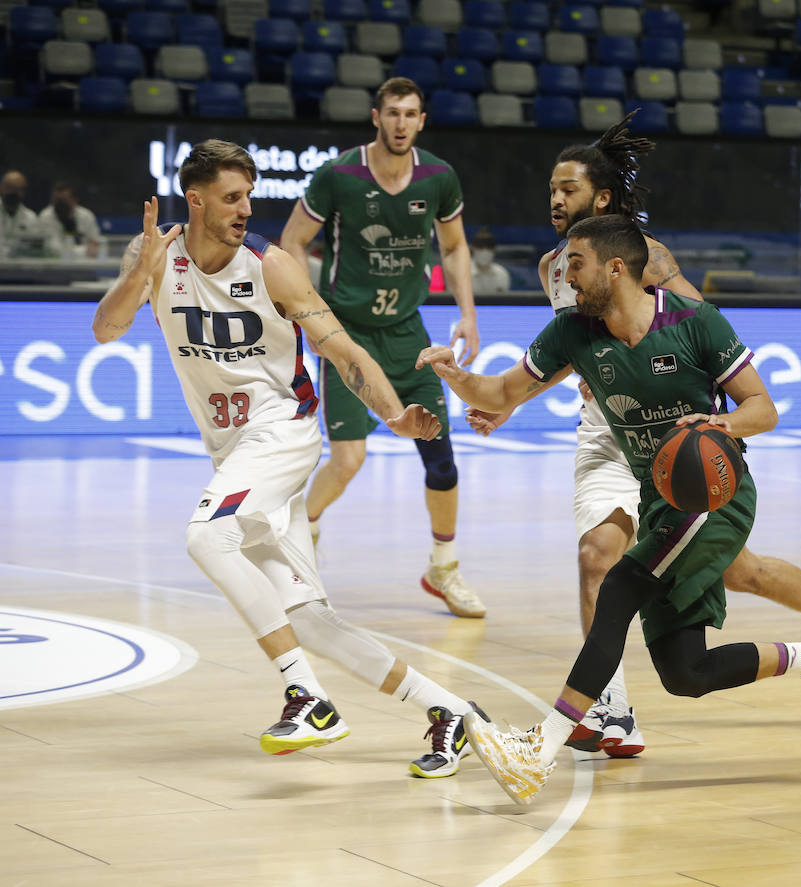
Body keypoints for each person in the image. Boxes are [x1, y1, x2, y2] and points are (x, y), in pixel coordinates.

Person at [467, 113, 801, 759]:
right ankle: (632, 709)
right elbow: (540, 367)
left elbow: (694, 339)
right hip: (612, 436)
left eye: (567, 189)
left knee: (702, 574)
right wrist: (498, 399)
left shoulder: (652, 266)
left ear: (602, 204)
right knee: (657, 635)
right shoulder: (556, 271)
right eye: (549, 189)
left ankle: (544, 746)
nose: (553, 199)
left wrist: (710, 423)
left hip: (683, 452)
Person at [419, 214, 801, 805]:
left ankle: (539, 749)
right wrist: (457, 378)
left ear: (614, 268)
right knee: (686, 674)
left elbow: (764, 409)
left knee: (617, 590)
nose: (565, 274)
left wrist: (720, 423)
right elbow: (502, 393)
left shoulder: (694, 321)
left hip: (716, 495)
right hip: (661, 506)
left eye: (576, 263)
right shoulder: (573, 332)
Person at [91, 139, 486, 777]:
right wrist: (140, 274)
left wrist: (391, 415)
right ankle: (451, 713)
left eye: (249, 195)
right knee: (311, 618)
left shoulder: (271, 266)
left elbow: (344, 350)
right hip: (236, 455)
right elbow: (106, 329)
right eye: (231, 197)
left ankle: (308, 698)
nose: (246, 208)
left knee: (206, 536)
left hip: (283, 432)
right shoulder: (155, 255)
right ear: (195, 200)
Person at [279, 77, 485, 618]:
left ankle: (443, 567)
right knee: (349, 461)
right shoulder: (339, 174)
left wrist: (467, 314)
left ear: (422, 120)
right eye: (391, 112)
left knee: (441, 460)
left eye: (410, 114)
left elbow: (456, 244)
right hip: (349, 336)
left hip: (408, 334)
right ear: (376, 117)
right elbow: (292, 241)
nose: (400, 122)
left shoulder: (439, 177)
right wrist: (311, 317)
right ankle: (303, 532)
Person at [38, 180, 103, 260]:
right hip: (54, 265)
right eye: (56, 200)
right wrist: (85, 250)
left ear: (75, 200)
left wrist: (89, 249)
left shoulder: (86, 215)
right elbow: (53, 249)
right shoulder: (46, 216)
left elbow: (96, 244)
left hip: (84, 266)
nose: (59, 204)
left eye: (64, 200)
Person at [0, 170, 44, 260]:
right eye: (10, 188)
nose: (13, 193)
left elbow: (35, 249)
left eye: (18, 189)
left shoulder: (30, 218)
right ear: (1, 188)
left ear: (23, 192)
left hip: (20, 268)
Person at [469, 226, 511, 294]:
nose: (484, 251)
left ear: (494, 250)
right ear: (473, 249)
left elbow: (505, 302)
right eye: (480, 247)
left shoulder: (502, 274)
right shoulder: (463, 275)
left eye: (488, 248)